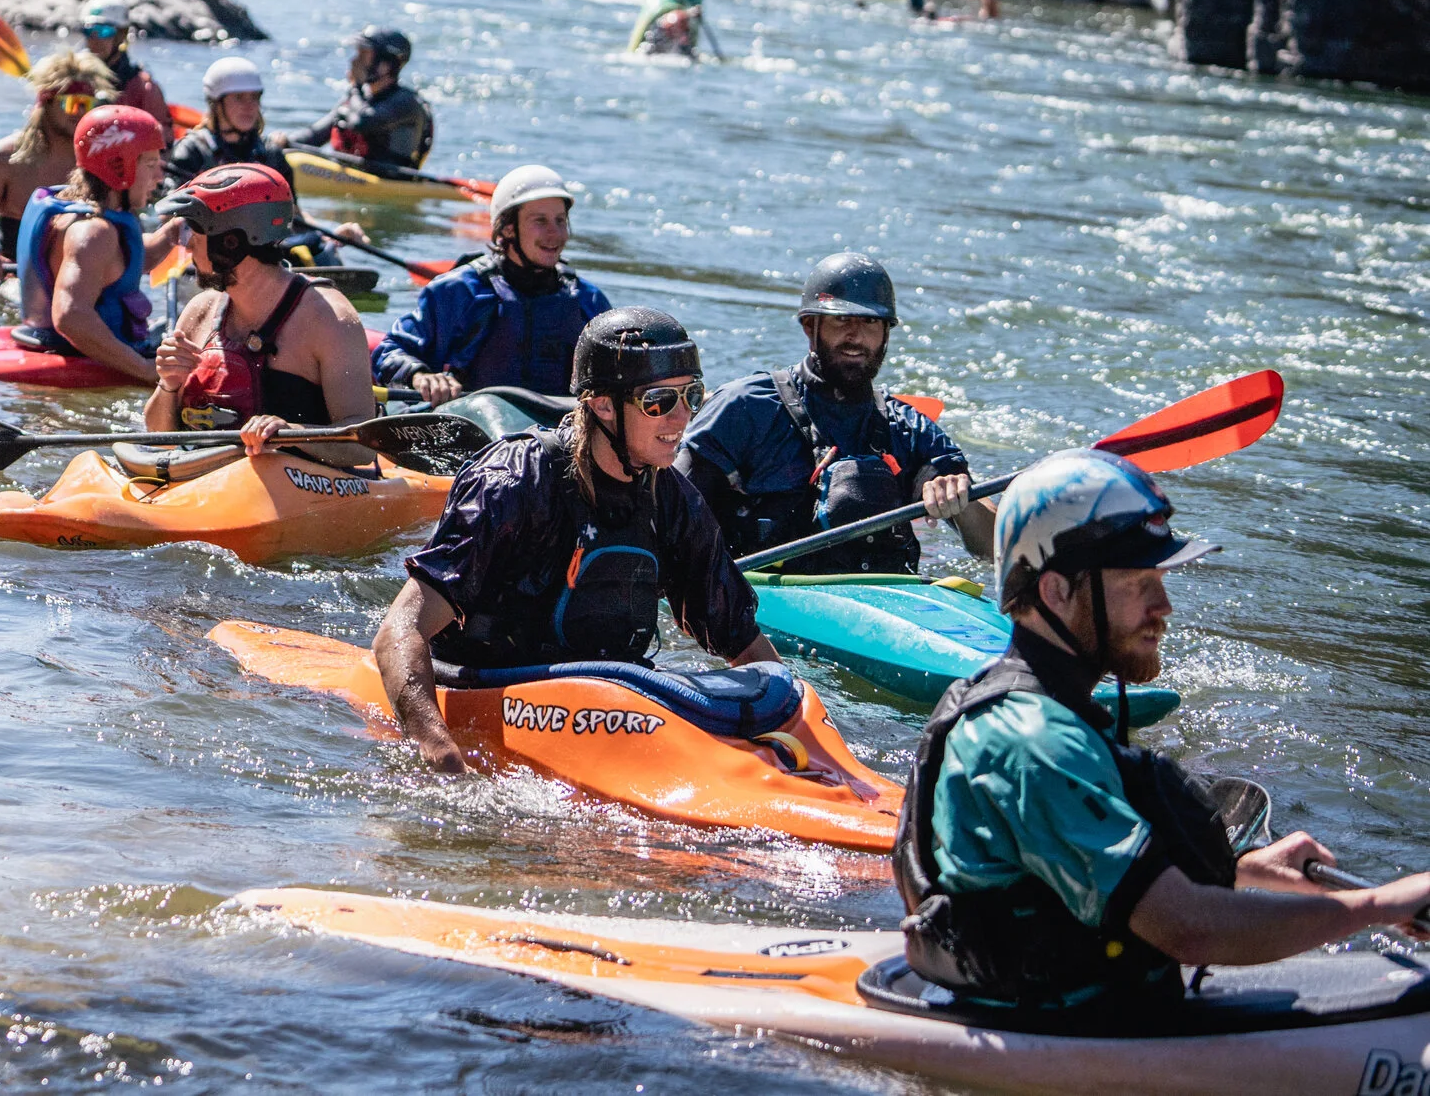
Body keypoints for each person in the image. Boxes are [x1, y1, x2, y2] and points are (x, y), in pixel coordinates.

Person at [892, 449, 1430, 1012]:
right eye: (1138, 582)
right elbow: (1188, 929)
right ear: (1056, 592)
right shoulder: (1031, 740)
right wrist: (1379, 906)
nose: (1164, 606)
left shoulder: (1034, 706)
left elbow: (1063, 870)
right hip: (1056, 1021)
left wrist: (1244, 872)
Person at [373, 309, 781, 774]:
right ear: (603, 404)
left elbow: (743, 643)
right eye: (659, 401)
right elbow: (397, 634)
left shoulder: (673, 501)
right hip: (491, 689)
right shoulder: (516, 481)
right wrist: (439, 751)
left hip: (607, 707)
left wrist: (791, 726)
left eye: (692, 394)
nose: (683, 416)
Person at [676, 252, 991, 574]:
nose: (855, 336)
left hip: (884, 599)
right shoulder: (744, 408)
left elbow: (993, 546)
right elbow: (666, 508)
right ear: (810, 326)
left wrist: (960, 500)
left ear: (886, 333)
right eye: (842, 320)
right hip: (761, 597)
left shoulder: (909, 429)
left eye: (870, 322)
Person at [146, 164, 375, 467]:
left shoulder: (330, 319)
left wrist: (290, 433)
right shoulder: (200, 312)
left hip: (298, 492)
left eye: (193, 231)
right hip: (208, 487)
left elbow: (363, 448)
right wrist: (169, 385)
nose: (185, 244)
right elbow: (159, 435)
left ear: (231, 240)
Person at [372, 165, 611, 403]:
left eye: (560, 221)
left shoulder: (587, 301)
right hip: (475, 425)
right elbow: (389, 351)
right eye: (540, 221)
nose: (556, 234)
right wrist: (420, 376)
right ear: (508, 228)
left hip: (559, 429)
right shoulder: (459, 291)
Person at [13, 104, 180, 385]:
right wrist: (143, 369)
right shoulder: (93, 233)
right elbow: (70, 317)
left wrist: (175, 230)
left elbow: (125, 264)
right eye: (150, 165)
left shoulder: (77, 207)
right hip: (76, 359)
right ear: (119, 166)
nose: (159, 178)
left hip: (48, 342)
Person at [164, 57, 365, 250]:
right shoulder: (191, 151)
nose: (250, 107)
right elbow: (168, 216)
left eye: (254, 98)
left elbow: (293, 215)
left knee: (319, 247)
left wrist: (331, 234)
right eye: (239, 98)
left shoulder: (271, 153)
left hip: (264, 248)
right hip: (211, 248)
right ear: (216, 103)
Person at [0, 50, 118, 283]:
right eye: (72, 103)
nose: (81, 112)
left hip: (83, 279)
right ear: (47, 103)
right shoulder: (2, 159)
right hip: (15, 277)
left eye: (88, 104)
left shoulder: (100, 162)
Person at [292, 26, 434, 169]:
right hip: (350, 176)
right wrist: (281, 142)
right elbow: (314, 136)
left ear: (386, 65)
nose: (354, 61)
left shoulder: (405, 102)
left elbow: (361, 122)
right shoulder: (358, 97)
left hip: (389, 182)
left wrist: (356, 87)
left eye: (363, 55)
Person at [77, 0, 173, 143]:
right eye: (89, 31)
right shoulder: (70, 79)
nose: (95, 39)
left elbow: (163, 139)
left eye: (104, 31)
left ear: (121, 35)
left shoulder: (143, 88)